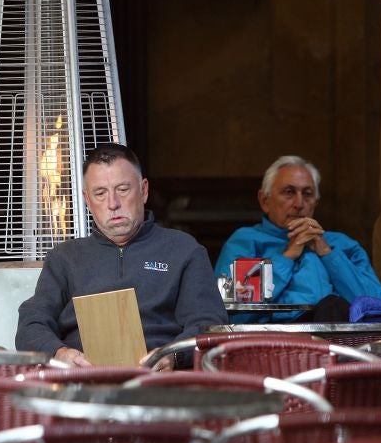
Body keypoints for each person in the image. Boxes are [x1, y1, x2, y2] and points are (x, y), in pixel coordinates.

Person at [16, 143, 228, 370]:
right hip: (82, 380)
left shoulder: (183, 249)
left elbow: (209, 323)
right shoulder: (64, 258)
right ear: (87, 200)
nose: (113, 204)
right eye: (100, 193)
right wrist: (60, 353)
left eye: (123, 189)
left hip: (162, 379)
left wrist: (174, 356)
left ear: (144, 190)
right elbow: (31, 324)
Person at [214, 155, 381, 322]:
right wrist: (288, 256)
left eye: (307, 194)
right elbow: (233, 312)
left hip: (340, 334)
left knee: (332, 305)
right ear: (265, 201)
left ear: (316, 202)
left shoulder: (342, 244)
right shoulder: (245, 241)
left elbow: (375, 308)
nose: (299, 204)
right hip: (274, 335)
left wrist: (327, 253)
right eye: (289, 192)